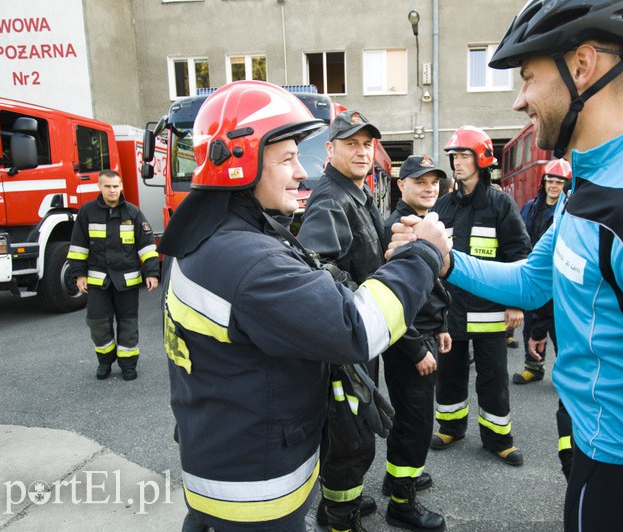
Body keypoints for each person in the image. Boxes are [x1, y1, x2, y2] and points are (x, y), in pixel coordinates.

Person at [389, 1, 623, 529]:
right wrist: (444, 259)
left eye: (528, 77)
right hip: (589, 451)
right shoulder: (589, 187)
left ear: (582, 65)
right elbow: (532, 282)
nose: (519, 99)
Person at [157, 81, 450, 532]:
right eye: (287, 159)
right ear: (241, 161)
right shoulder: (247, 259)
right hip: (256, 496)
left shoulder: (214, 237)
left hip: (228, 463)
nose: (300, 173)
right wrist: (424, 255)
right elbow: (356, 328)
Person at [296, 109, 387, 531]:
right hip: (344, 341)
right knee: (350, 436)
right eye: (351, 143)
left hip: (358, 335)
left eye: (367, 144)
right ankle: (339, 519)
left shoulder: (356, 193)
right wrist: (362, 299)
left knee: (353, 433)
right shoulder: (333, 197)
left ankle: (340, 502)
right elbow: (316, 266)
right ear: (330, 149)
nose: (362, 151)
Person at [429, 125, 531, 466]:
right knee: (449, 373)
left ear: (482, 159)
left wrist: (515, 302)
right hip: (451, 311)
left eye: (464, 155)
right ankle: (450, 427)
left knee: (493, 377)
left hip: (490, 311)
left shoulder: (500, 204)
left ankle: (498, 439)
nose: (457, 162)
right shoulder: (443, 206)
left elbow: (519, 254)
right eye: (454, 156)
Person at [381, 154, 450, 531]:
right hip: (409, 340)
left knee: (412, 418)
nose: (429, 188)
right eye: (420, 181)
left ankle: (397, 479)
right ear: (401, 185)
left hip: (425, 332)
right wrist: (416, 347)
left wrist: (440, 325)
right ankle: (402, 505)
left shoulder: (424, 222)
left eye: (434, 182)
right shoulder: (400, 229)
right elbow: (390, 296)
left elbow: (430, 287)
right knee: (415, 423)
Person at [67, 169, 159, 381]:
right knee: (97, 323)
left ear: (121, 186)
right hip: (98, 281)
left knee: (128, 324)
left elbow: (146, 246)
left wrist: (152, 272)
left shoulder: (133, 213)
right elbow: (78, 246)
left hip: (126, 281)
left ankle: (128, 365)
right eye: (107, 186)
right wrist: (79, 275)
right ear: (99, 187)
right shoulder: (87, 212)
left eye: (115, 186)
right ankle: (105, 361)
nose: (112, 190)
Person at [513, 159, 570, 385]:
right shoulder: (530, 207)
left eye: (559, 182)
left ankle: (568, 374)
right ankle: (534, 367)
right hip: (533, 273)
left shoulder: (569, 210)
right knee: (531, 323)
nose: (553, 186)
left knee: (559, 329)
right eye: (550, 181)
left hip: (558, 278)